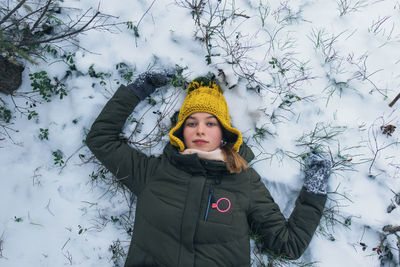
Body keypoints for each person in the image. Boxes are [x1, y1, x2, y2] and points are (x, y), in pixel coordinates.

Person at [86, 71, 331, 267]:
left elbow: (287, 245)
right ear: (180, 131)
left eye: (210, 123)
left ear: (224, 133)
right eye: (191, 122)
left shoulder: (243, 181)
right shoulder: (154, 173)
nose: (200, 130)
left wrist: (315, 190)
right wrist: (138, 90)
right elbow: (101, 140)